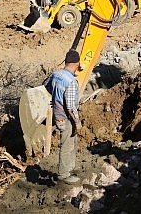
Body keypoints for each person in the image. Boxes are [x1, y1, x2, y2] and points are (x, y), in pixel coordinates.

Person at [48, 49, 82, 184]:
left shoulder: (57, 74)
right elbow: (70, 106)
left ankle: (70, 167)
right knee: (67, 145)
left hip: (58, 114)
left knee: (73, 141)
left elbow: (47, 87)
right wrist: (78, 121)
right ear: (77, 64)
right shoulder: (71, 81)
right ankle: (63, 174)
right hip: (66, 117)